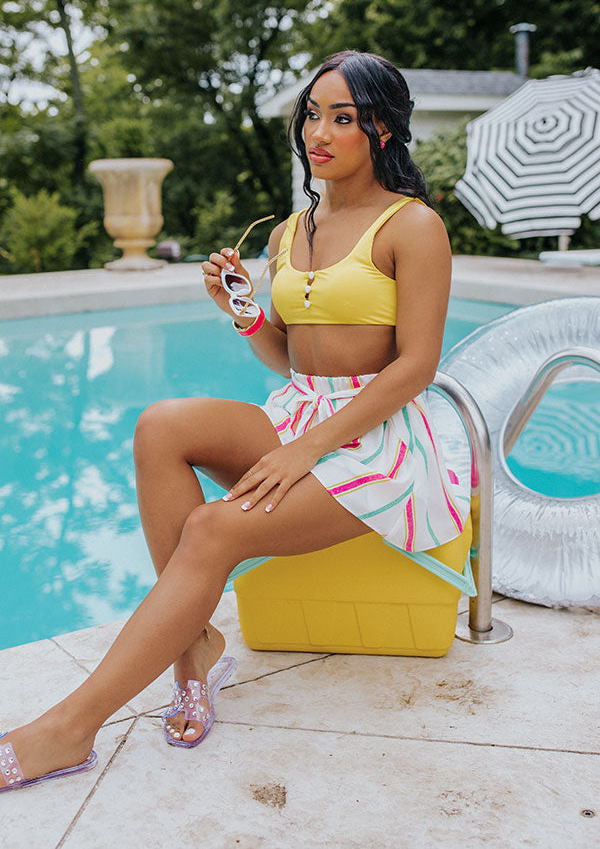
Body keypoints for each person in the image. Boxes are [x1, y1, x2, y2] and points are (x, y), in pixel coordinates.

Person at [0, 49, 468, 791]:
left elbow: (416, 367)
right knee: (160, 423)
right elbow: (290, 362)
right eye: (313, 113)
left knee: (212, 529)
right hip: (303, 413)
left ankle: (69, 728)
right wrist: (243, 312)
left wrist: (306, 452)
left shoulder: (413, 227)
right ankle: (196, 649)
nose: (320, 131)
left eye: (342, 118)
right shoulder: (291, 231)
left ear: (382, 129)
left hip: (374, 442)